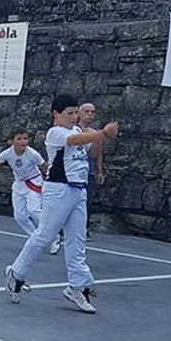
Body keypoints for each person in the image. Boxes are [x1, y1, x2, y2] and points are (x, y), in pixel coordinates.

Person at [4, 94, 120, 312]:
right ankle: (16, 273)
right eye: (70, 113)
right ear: (56, 114)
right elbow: (73, 141)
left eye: (76, 113)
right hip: (58, 189)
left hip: (79, 189)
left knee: (77, 239)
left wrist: (99, 137)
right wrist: (101, 133)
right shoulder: (55, 132)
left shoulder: (80, 131)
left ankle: (78, 286)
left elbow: (92, 152)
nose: (74, 117)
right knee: (45, 235)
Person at [0, 128, 62, 253]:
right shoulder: (7, 154)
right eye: (19, 139)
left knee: (34, 211)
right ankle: (35, 239)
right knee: (20, 216)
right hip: (19, 184)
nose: (23, 141)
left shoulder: (32, 154)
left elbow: (45, 168)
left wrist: (53, 182)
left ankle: (54, 236)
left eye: (25, 139)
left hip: (34, 182)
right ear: (11, 141)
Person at [79, 101, 106, 239]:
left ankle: (84, 228)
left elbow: (97, 154)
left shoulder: (95, 134)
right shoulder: (72, 131)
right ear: (79, 113)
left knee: (87, 201)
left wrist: (99, 171)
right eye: (87, 111)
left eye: (92, 112)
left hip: (88, 171)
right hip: (73, 171)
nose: (90, 115)